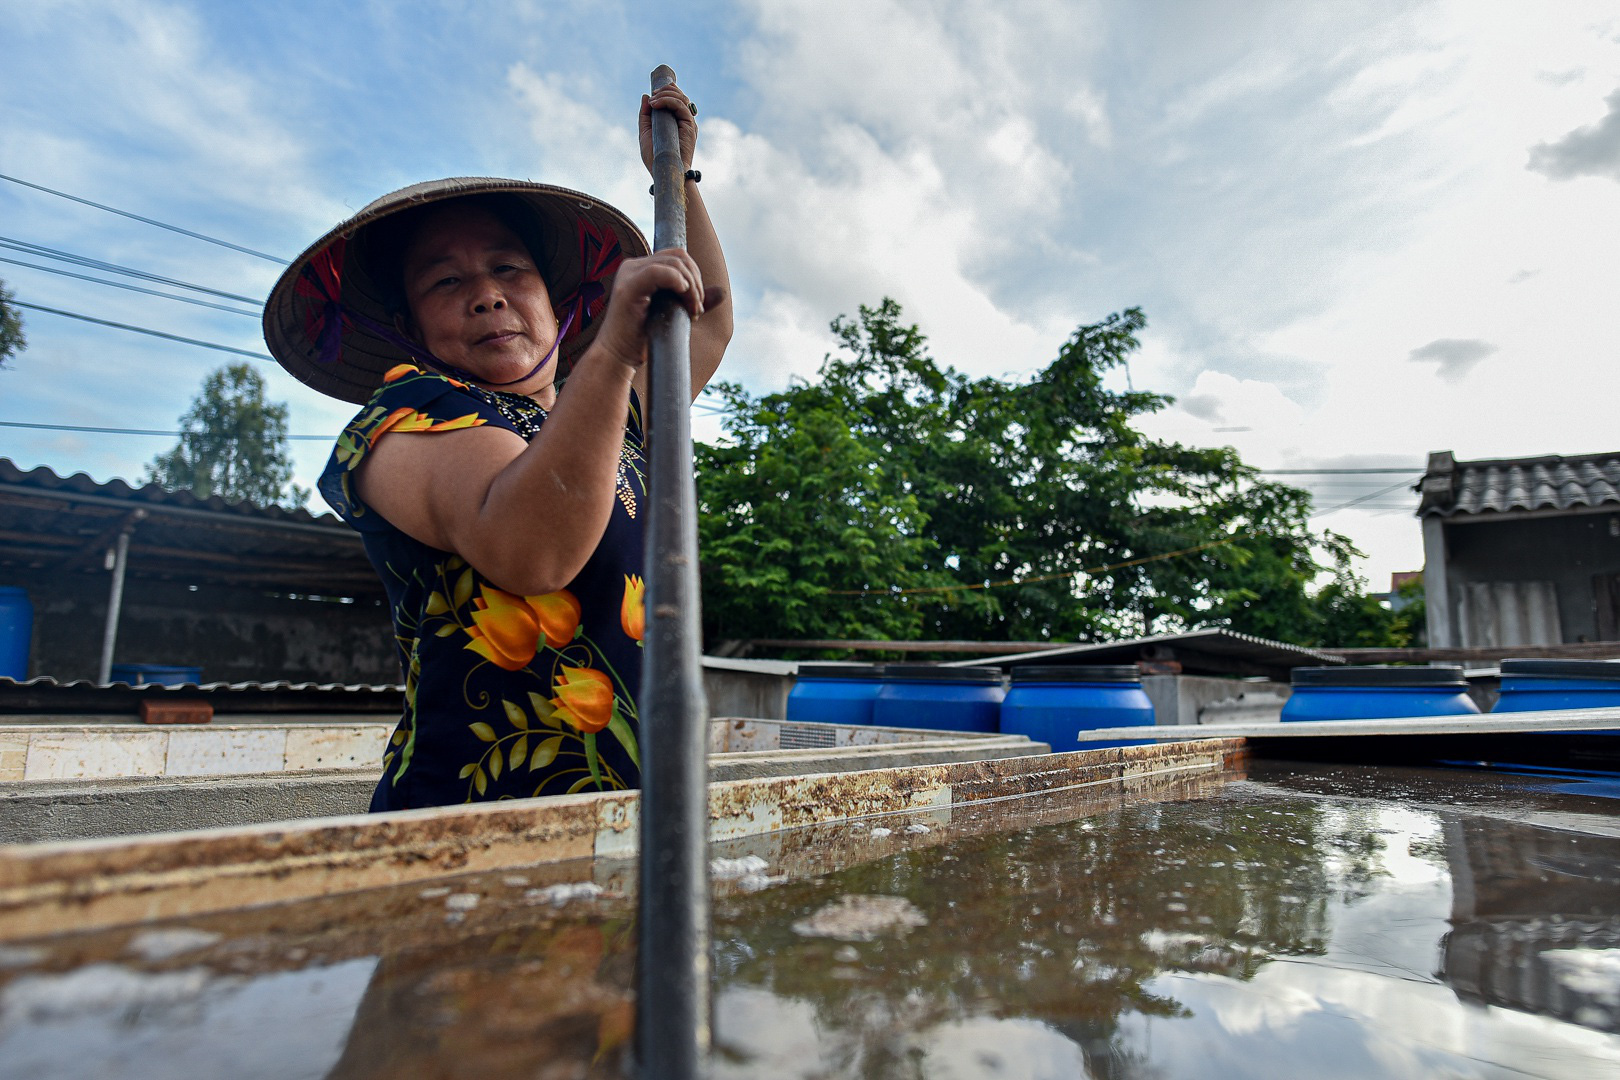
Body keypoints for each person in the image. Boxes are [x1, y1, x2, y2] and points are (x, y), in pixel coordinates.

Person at [263, 81, 730, 809]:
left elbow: (704, 320)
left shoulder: (603, 419)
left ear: (552, 297)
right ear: (411, 327)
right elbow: (531, 551)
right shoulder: (405, 416)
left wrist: (676, 178)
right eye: (446, 282)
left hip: (629, 817)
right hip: (466, 824)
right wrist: (609, 354)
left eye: (508, 269)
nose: (486, 294)